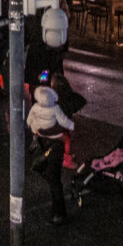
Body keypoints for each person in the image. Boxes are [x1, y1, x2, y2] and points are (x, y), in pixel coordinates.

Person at [27, 85, 76, 223]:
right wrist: (71, 127)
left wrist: (36, 128)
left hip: (44, 142)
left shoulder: (36, 108)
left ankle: (58, 212)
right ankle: (59, 213)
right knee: (54, 178)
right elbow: (64, 121)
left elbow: (30, 121)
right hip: (56, 144)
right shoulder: (55, 108)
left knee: (50, 175)